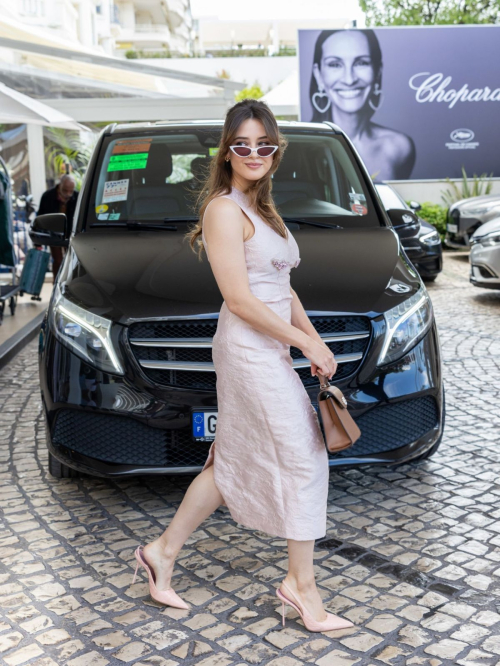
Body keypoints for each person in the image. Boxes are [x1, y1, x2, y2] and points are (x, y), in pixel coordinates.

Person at [133, 99, 354, 634]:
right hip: (248, 348)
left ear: (276, 152)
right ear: (227, 153)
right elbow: (239, 299)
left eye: (264, 145)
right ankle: (300, 586)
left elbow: (281, 288)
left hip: (270, 345)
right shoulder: (223, 209)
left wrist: (315, 341)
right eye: (242, 145)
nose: (253, 154)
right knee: (305, 455)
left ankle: (161, 552)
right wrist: (304, 344)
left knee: (229, 461)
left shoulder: (264, 210)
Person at [309, 29, 415, 180]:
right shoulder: (302, 148)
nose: (349, 79)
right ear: (318, 75)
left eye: (361, 63)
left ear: (378, 72)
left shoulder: (398, 147)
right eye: (335, 64)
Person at [37, 174, 78, 281]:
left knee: (72, 261)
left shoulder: (77, 197)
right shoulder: (47, 196)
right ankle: (56, 283)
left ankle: (70, 284)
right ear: (60, 185)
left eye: (71, 191)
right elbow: (41, 216)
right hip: (54, 233)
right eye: (65, 190)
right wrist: (38, 242)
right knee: (58, 261)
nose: (68, 194)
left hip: (70, 234)